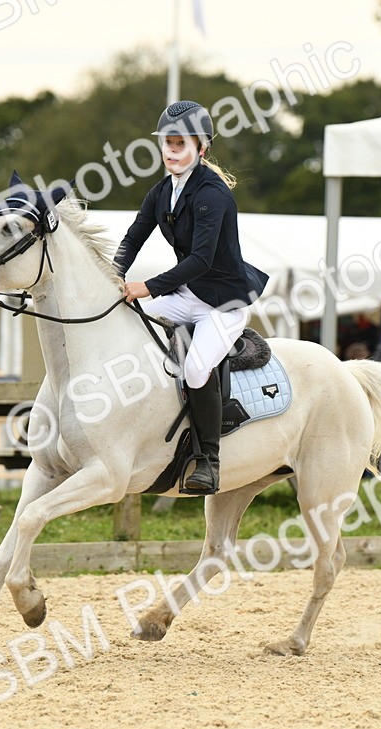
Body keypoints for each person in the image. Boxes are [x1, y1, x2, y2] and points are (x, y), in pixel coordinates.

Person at [114, 100, 270, 495]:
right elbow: (134, 237)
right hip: (187, 294)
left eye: (180, 144)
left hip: (223, 303)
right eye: (167, 142)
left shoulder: (212, 195)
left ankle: (209, 460)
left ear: (201, 148)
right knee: (131, 322)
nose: (171, 151)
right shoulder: (162, 191)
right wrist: (114, 275)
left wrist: (146, 286)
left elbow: (200, 259)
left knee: (197, 370)